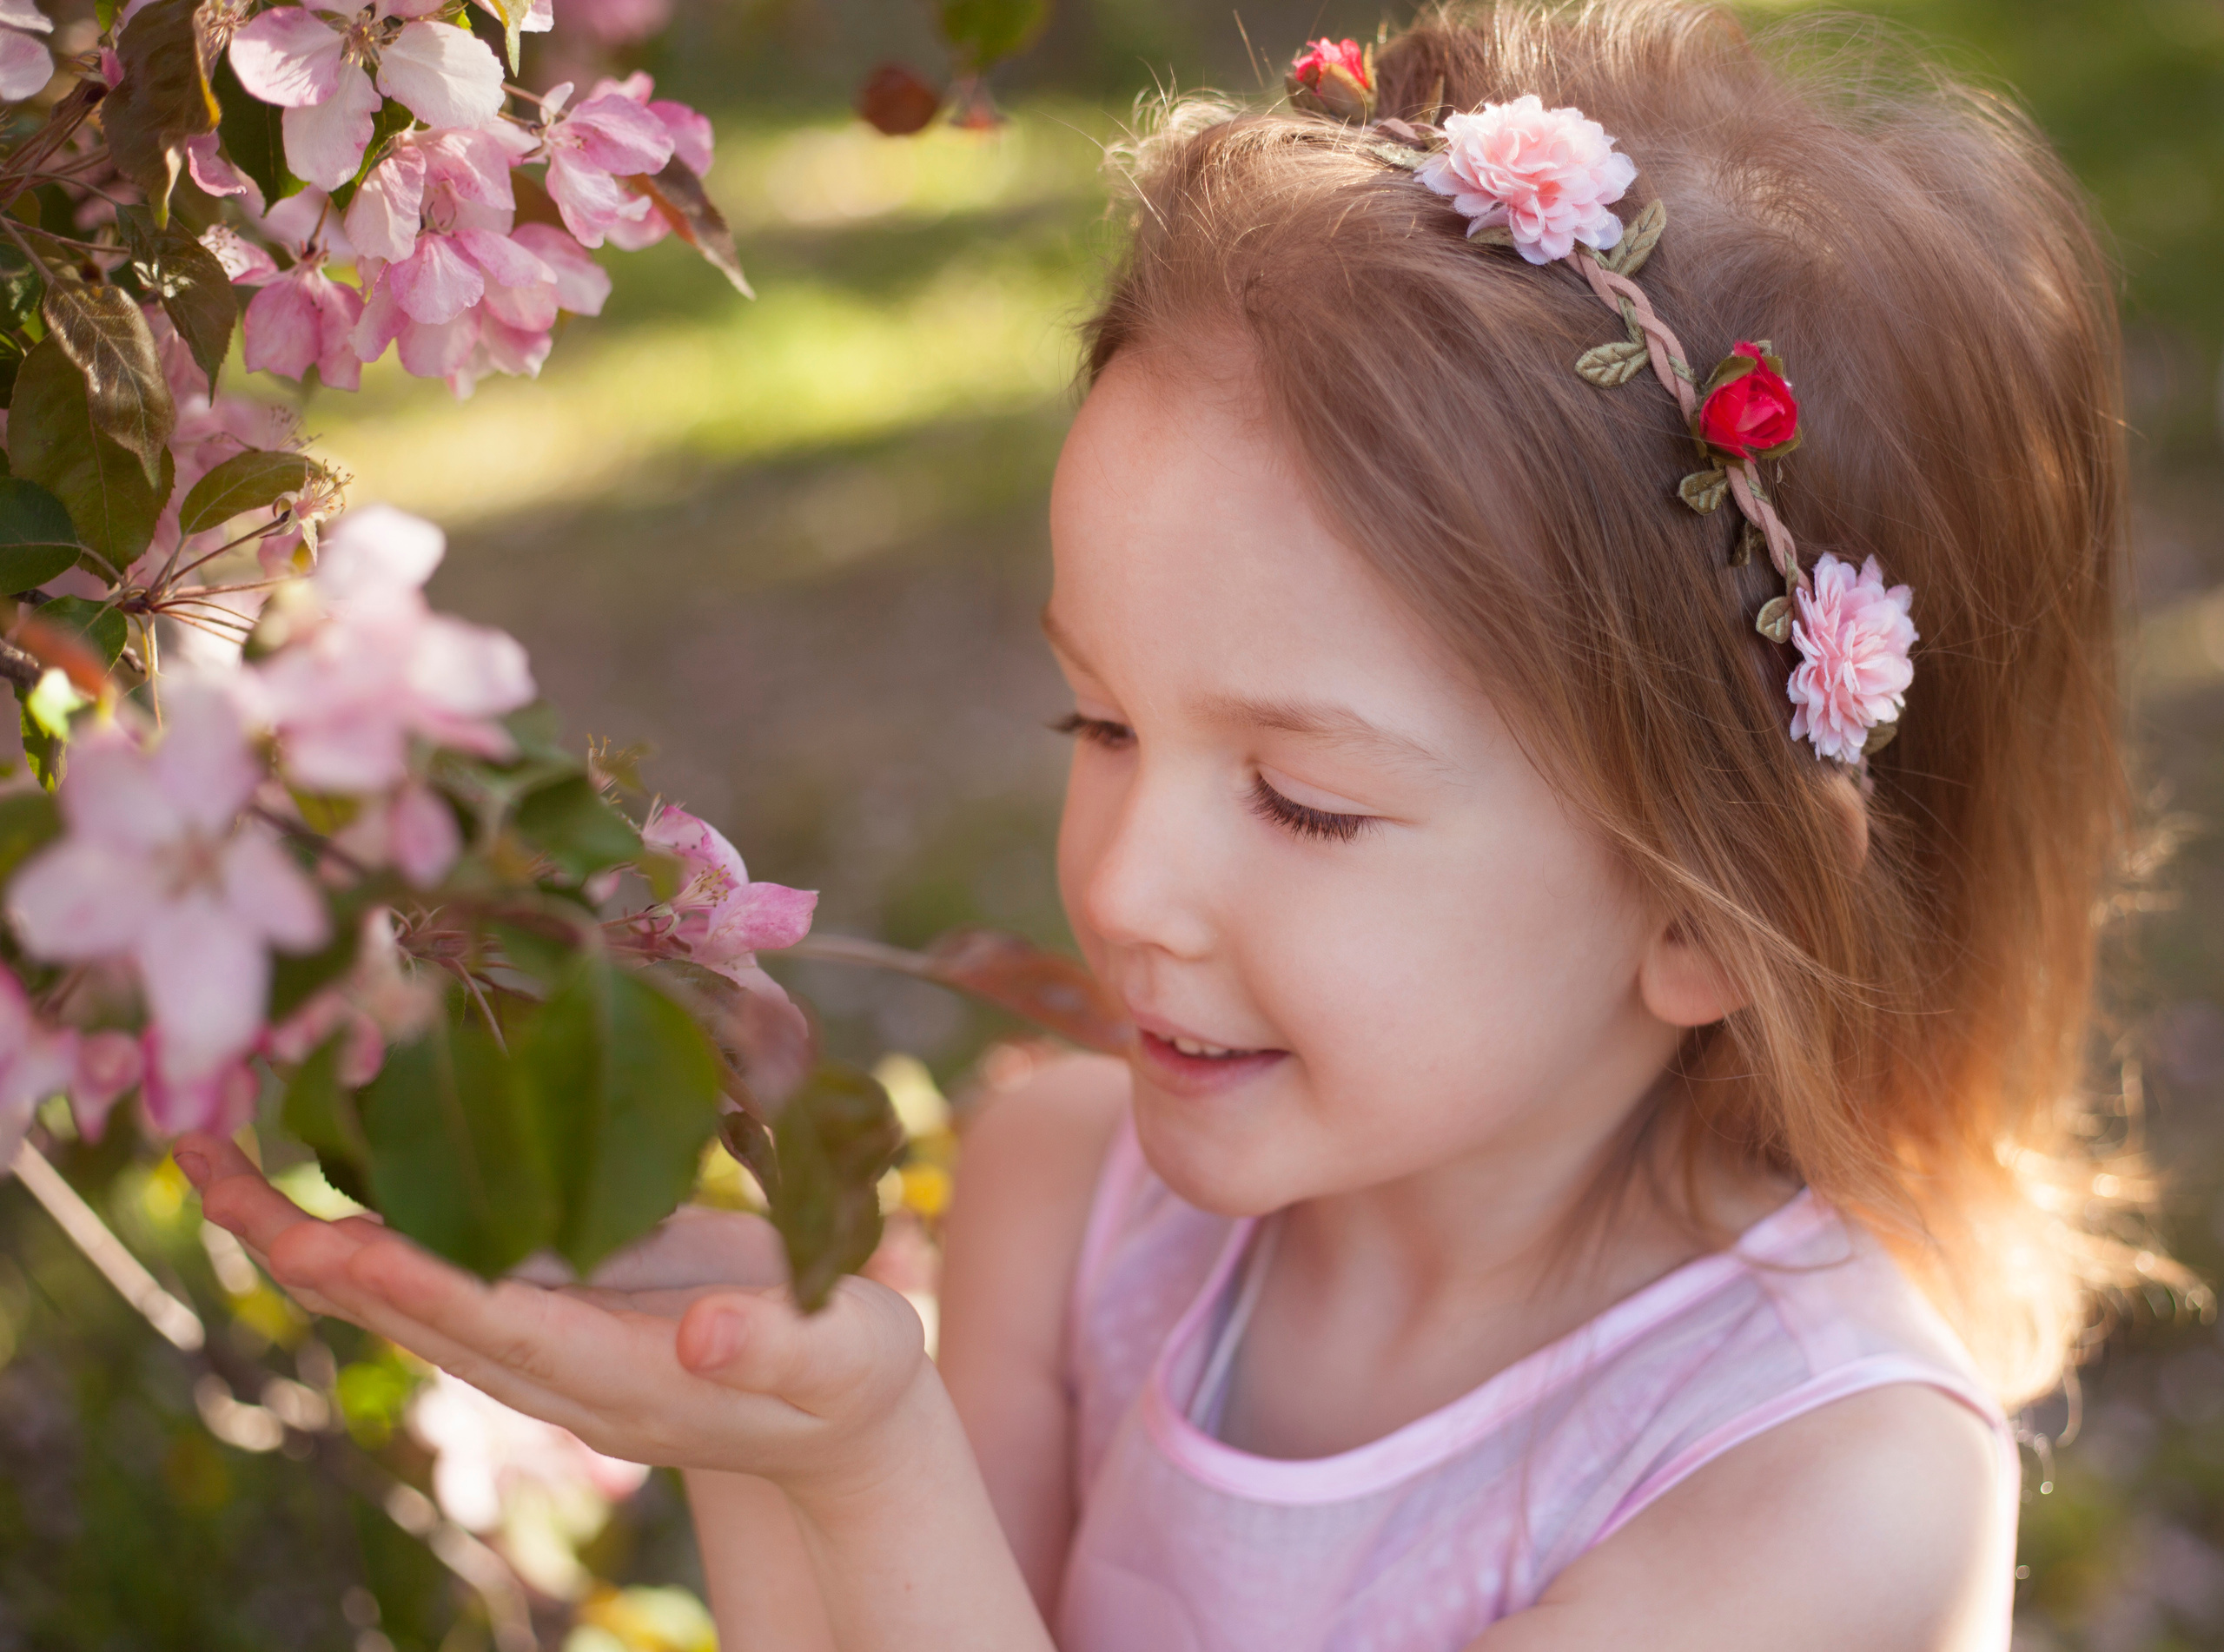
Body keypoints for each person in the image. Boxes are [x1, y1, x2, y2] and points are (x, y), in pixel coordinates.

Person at [179, 3, 2179, 1646]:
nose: (1123, 885)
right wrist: (765, 1426)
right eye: (1101, 721)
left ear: (1706, 909)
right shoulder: (1070, 1198)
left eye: (1304, 803)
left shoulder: (1822, 1501)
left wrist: (863, 1460)